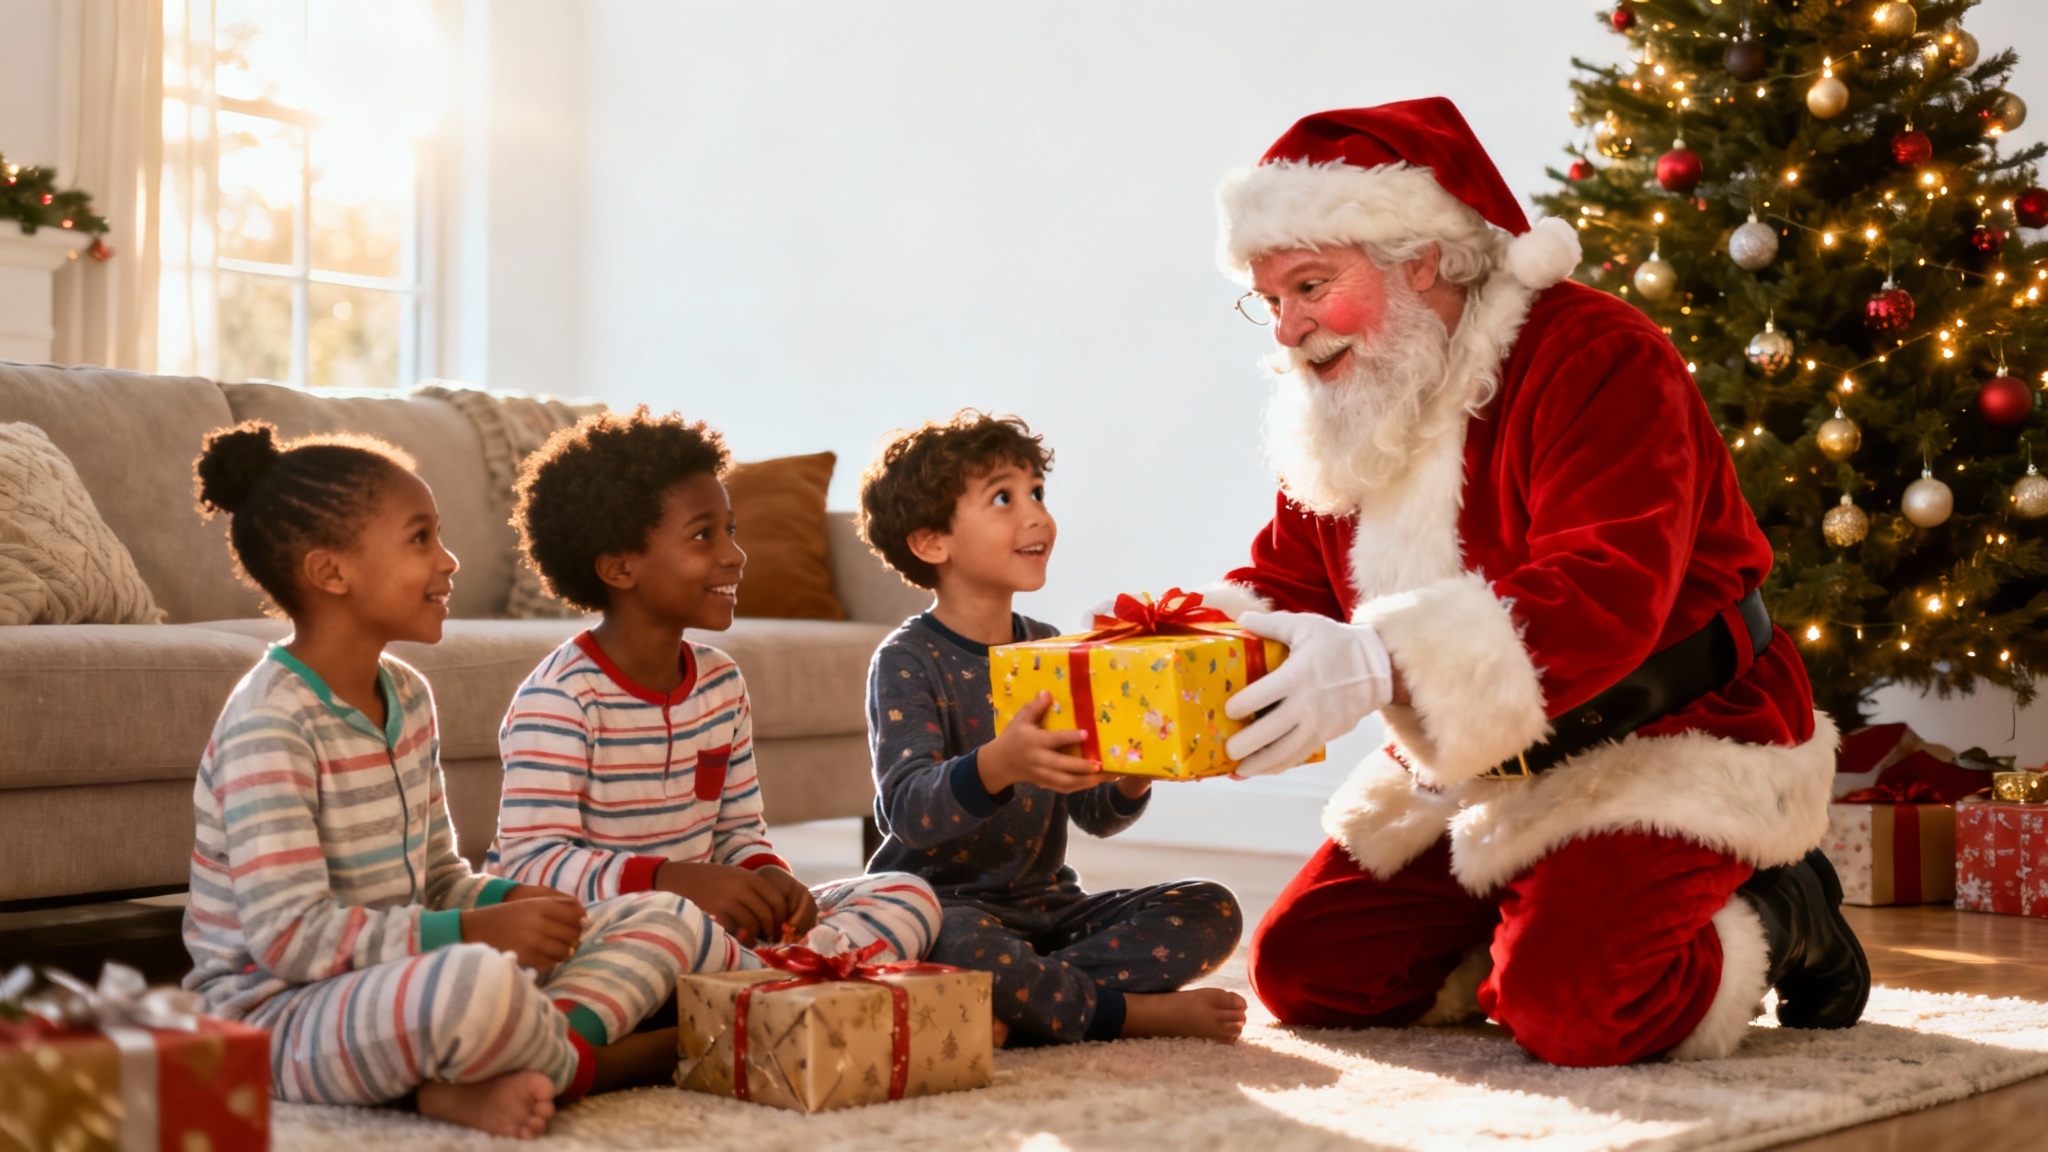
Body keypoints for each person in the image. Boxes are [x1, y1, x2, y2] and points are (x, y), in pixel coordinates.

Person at [1194, 98, 1866, 1066]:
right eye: (1268, 300)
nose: (1289, 329)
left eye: (1309, 286)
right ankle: (1538, 916)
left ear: (1416, 259)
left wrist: (1381, 660)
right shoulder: (1354, 391)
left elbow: (1607, 583)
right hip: (1477, 766)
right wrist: (1163, 651)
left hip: (1666, 735)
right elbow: (1286, 578)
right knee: (1310, 973)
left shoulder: (1597, 353)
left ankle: (1776, 908)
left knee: (1577, 1011)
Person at [183, 422, 694, 1140]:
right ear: (331, 573)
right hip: (275, 1014)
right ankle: (592, 1063)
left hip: (398, 976)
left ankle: (499, 1063)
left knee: (662, 916)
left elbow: (437, 879)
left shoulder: (408, 695)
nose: (449, 562)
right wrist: (474, 933)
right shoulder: (270, 724)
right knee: (474, 986)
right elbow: (290, 939)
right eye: (420, 538)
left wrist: (515, 901)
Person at [487, 409, 940, 965]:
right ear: (619, 568)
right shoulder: (560, 698)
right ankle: (776, 985)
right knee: (666, 933)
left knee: (907, 893)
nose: (734, 554)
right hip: (610, 931)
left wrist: (769, 877)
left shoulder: (720, 682)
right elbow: (530, 865)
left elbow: (737, 832)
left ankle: (758, 980)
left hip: (710, 927)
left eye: (730, 530)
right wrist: (673, 882)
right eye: (703, 535)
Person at [857, 410, 1247, 1046]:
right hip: (938, 908)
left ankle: (1020, 1005)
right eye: (1004, 499)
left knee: (1212, 908)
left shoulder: (1053, 652)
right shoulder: (907, 660)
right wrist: (997, 765)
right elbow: (907, 813)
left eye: (1037, 492)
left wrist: (1128, 777)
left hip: (1048, 911)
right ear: (932, 543)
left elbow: (1094, 816)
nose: (1036, 514)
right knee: (955, 940)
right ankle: (1122, 1015)